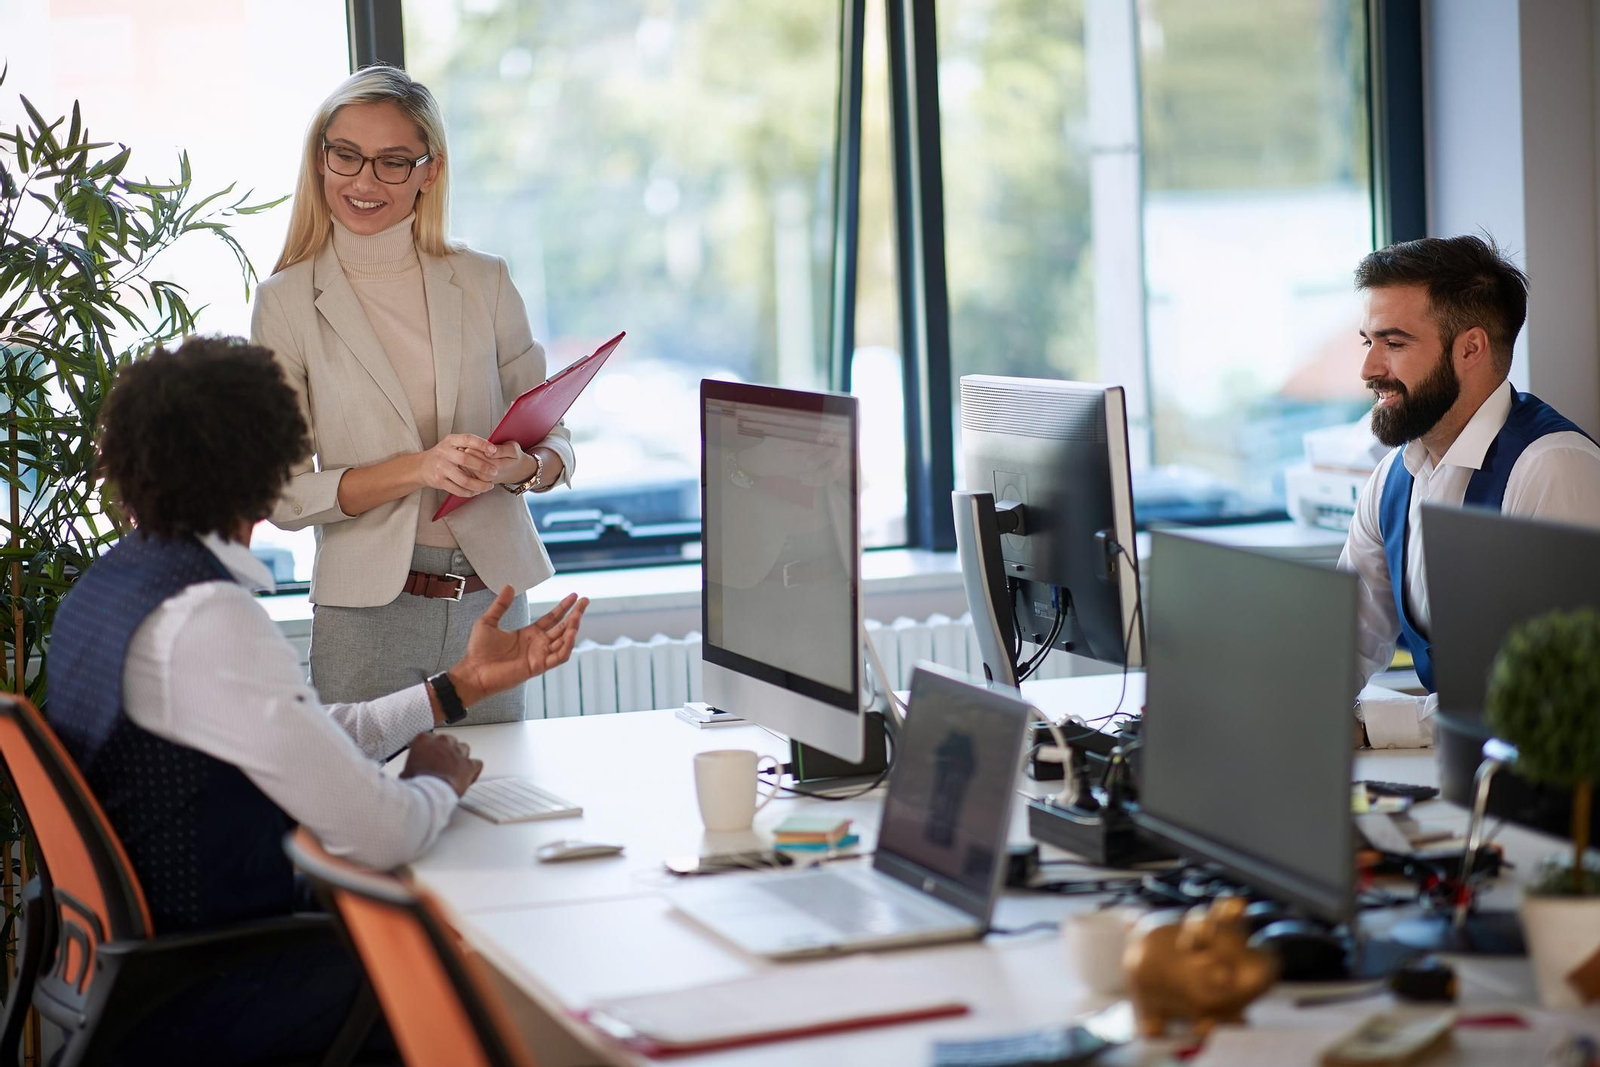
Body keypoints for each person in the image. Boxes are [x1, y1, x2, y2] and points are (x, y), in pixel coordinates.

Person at [46, 337, 587, 1064]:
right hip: (223, 987)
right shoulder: (206, 617)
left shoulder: (116, 586)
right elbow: (384, 831)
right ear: (268, 472)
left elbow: (301, 734)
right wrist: (438, 780)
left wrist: (454, 690)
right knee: (498, 977)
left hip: (140, 975)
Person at [252, 65, 575, 724]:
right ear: (321, 159)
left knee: (495, 804)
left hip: (491, 598)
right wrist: (420, 468)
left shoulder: (484, 281)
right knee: (367, 813)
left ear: (430, 170)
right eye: (346, 155)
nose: (364, 181)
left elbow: (554, 437)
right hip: (365, 614)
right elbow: (284, 495)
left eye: (393, 162)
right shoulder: (285, 303)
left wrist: (520, 466)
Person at [1340, 234, 1600, 746]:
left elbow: (1553, 691)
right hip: (1462, 764)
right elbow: (1341, 641)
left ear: (1471, 348)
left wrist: (1376, 727)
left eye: (1393, 343)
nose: (1368, 369)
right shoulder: (1393, 476)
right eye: (1368, 342)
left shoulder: (1553, 469)